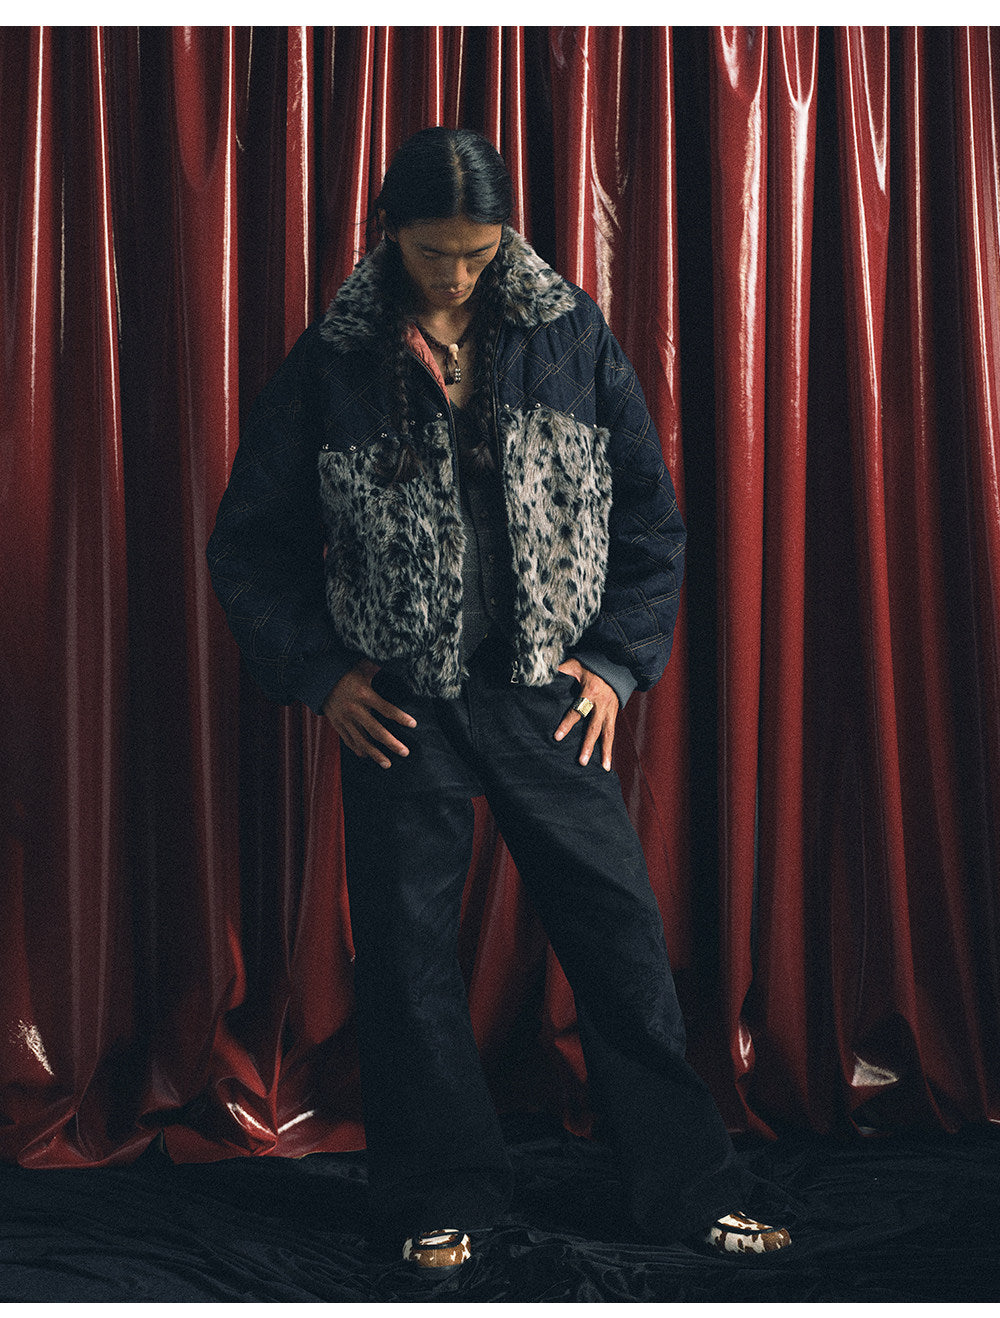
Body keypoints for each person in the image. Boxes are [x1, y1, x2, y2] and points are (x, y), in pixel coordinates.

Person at [207, 126, 791, 1272]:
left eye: (477, 253)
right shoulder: (335, 355)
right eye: (434, 252)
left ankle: (687, 1191)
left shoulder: (568, 333)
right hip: (400, 703)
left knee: (620, 943)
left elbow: (651, 518)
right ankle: (439, 1200)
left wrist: (613, 663)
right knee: (407, 964)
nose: (455, 275)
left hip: (543, 697)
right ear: (389, 232)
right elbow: (249, 543)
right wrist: (325, 677)